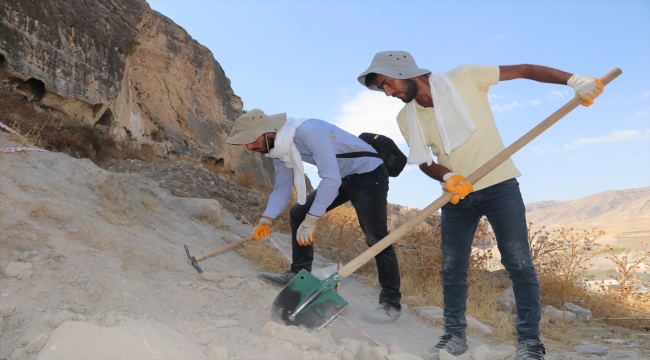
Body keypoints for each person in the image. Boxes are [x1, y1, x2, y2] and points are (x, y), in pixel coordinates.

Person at [357, 51, 604, 360]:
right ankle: (454, 338)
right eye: (382, 88)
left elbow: (525, 69)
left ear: (404, 71)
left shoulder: (464, 78)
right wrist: (447, 176)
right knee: (452, 269)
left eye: (387, 83)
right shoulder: (406, 117)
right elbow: (424, 162)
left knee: (519, 265)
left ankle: (529, 343)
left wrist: (574, 81)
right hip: (456, 196)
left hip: (500, 187)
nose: (388, 93)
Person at [225, 109, 402, 324]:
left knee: (376, 238)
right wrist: (266, 219)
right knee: (298, 212)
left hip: (369, 174)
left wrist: (312, 220)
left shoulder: (309, 131)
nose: (249, 147)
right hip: (342, 176)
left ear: (268, 132)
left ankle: (391, 304)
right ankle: (298, 274)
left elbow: (330, 179)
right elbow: (282, 189)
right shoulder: (278, 150)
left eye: (250, 141)